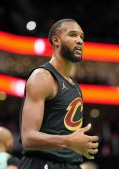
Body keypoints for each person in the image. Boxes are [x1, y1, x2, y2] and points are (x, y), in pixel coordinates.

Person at [19, 18, 99, 169]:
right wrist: (69, 141)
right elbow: (28, 138)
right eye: (73, 35)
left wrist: (78, 146)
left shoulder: (75, 86)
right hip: (42, 163)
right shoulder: (42, 77)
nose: (80, 41)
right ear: (56, 41)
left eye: (82, 37)